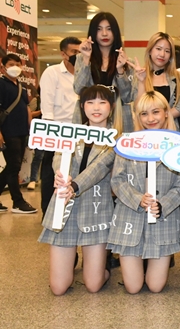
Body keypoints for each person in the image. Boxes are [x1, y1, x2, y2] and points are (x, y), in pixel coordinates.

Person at [38, 85, 122, 295]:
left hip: (96, 209)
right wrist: (61, 174)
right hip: (63, 206)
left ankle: (104, 265)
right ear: (82, 106)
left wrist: (74, 185)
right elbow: (59, 156)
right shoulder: (71, 133)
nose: (96, 108)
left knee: (93, 285)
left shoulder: (116, 140)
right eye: (90, 102)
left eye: (102, 102)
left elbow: (100, 167)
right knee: (58, 288)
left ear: (111, 107)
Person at [108, 92, 180, 294]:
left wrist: (163, 204)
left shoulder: (178, 146)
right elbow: (117, 179)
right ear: (137, 116)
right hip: (129, 218)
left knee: (155, 286)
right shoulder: (127, 143)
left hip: (163, 221)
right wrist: (137, 199)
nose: (150, 118)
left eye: (155, 112)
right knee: (133, 287)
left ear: (166, 113)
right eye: (144, 114)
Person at [39, 37, 81, 215]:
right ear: (64, 54)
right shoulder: (52, 72)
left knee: (74, 173)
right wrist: (49, 133)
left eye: (80, 52)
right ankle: (47, 212)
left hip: (80, 133)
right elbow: (47, 106)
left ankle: (69, 211)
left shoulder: (85, 74)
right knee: (52, 173)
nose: (77, 56)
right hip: (57, 132)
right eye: (74, 52)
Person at [73, 12, 134, 131]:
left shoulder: (126, 61)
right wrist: (86, 60)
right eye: (99, 29)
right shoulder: (81, 58)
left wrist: (120, 70)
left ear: (115, 32)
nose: (104, 33)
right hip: (88, 119)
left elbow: (127, 97)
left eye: (109, 29)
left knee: (118, 144)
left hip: (119, 119)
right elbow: (79, 89)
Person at [130, 32, 180, 134]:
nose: (162, 54)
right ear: (150, 51)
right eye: (158, 49)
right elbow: (138, 108)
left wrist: (161, 118)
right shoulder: (140, 75)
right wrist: (141, 81)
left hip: (175, 131)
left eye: (167, 51)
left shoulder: (179, 76)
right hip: (148, 132)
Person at [0, 54, 36, 213]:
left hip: (22, 131)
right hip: (8, 131)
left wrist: (31, 128)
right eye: (11, 64)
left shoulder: (21, 86)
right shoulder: (1, 84)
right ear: (3, 67)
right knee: (14, 167)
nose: (15, 67)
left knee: (12, 166)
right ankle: (17, 202)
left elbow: (26, 108)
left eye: (17, 64)